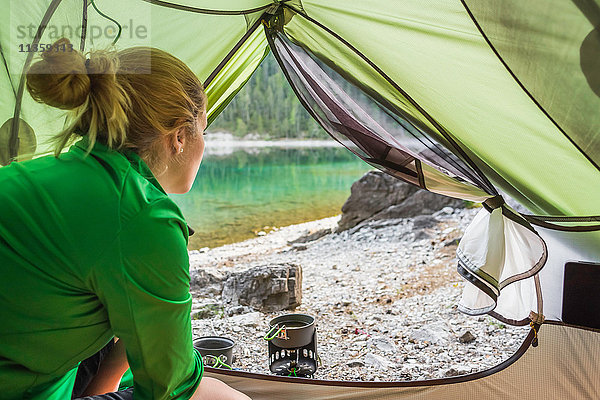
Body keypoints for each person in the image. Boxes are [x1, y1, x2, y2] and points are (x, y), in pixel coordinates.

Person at [0, 38, 250, 400]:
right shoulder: (142, 216)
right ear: (180, 136)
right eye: (204, 131)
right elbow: (172, 390)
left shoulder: (53, 175)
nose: (205, 143)